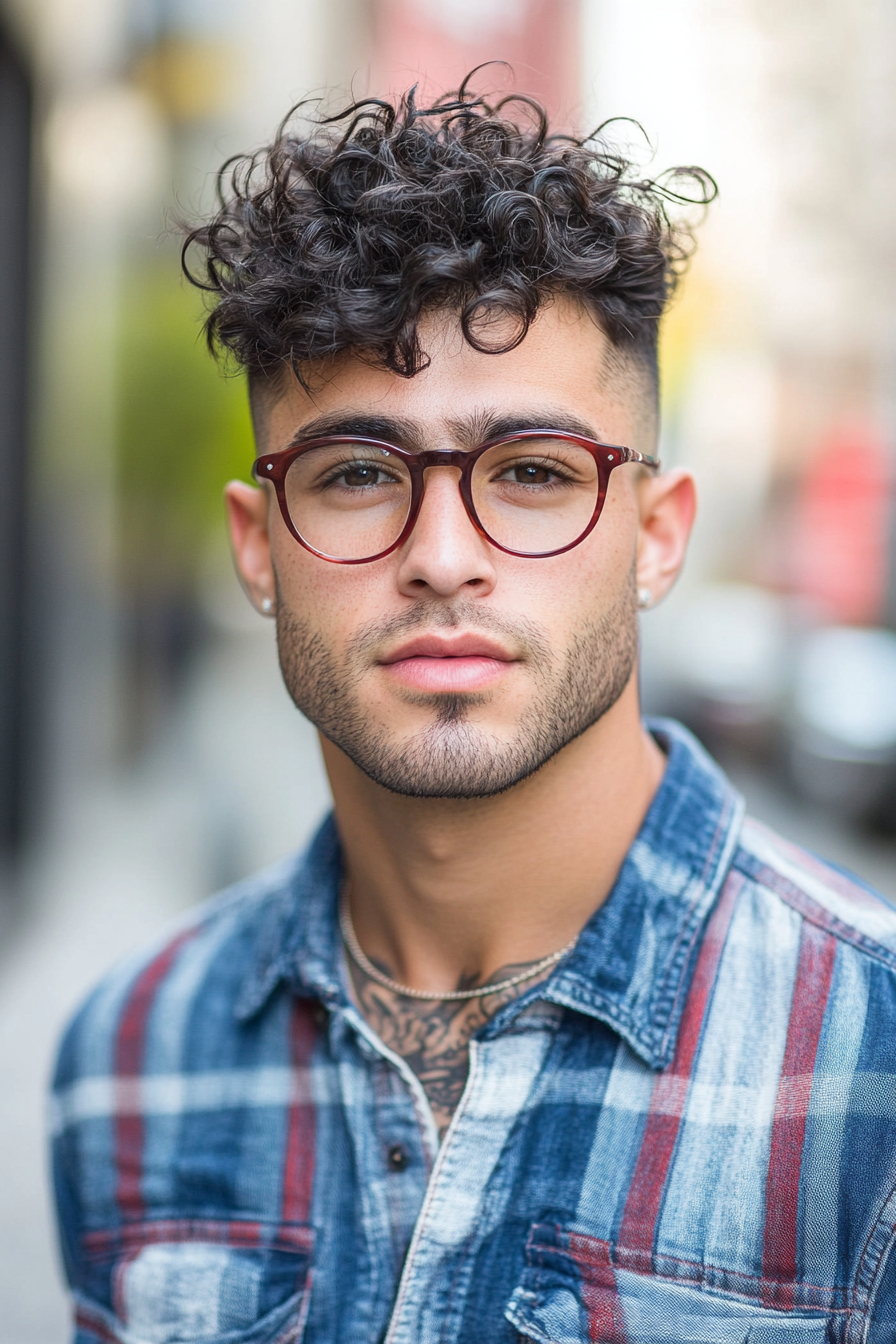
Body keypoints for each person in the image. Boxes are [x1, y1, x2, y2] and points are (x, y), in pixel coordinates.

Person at [51, 83, 896, 1344]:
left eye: (535, 473)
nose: (443, 555)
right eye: (353, 474)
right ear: (256, 546)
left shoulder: (869, 1068)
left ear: (657, 537)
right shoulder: (129, 1059)